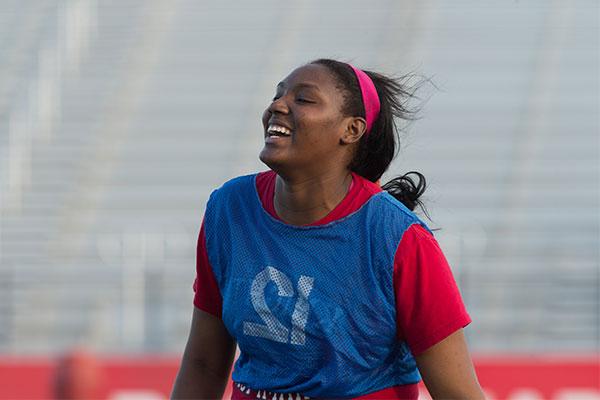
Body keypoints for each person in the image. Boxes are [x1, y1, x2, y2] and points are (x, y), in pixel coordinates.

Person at [171, 58, 485, 399]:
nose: (277, 105)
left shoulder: (400, 238)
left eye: (303, 99)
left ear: (351, 130)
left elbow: (459, 394)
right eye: (278, 95)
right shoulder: (229, 208)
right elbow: (204, 362)